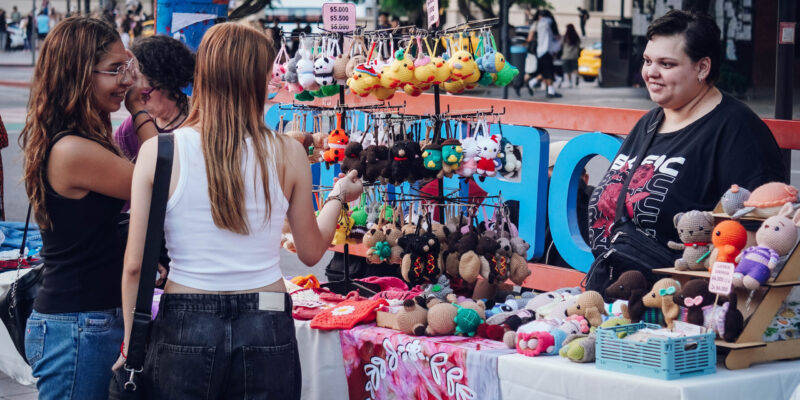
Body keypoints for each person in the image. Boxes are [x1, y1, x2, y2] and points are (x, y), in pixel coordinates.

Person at [113, 23, 363, 398]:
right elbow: (311, 251)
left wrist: (131, 345)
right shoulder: (288, 152)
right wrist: (339, 196)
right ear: (257, 81)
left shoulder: (160, 151)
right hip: (266, 315)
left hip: (185, 315)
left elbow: (134, 265)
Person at [20, 16, 151, 399]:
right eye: (114, 71)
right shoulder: (73, 150)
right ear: (77, 74)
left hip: (83, 320)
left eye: (126, 68)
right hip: (78, 325)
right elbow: (167, 179)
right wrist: (139, 108)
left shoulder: (77, 138)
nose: (126, 81)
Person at [587, 10, 786, 254]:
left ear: (702, 68)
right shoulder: (649, 122)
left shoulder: (738, 132)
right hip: (611, 283)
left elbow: (760, 235)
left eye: (666, 64)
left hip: (679, 290)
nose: (650, 73)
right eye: (648, 61)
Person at [114, 35, 194, 161]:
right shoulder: (130, 128)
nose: (140, 103)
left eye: (145, 94)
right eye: (133, 93)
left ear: (168, 82)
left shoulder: (198, 123)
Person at [527, 10, 562, 98]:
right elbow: (557, 37)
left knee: (546, 71)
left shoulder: (538, 24)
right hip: (547, 51)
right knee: (548, 71)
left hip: (540, 51)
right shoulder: (548, 23)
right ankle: (546, 89)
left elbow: (530, 38)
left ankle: (548, 89)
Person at [561, 24, 581, 88]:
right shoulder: (576, 36)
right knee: (575, 68)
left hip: (566, 55)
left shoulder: (565, 36)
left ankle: (570, 82)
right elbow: (579, 45)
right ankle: (576, 77)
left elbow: (561, 45)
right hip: (574, 56)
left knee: (568, 70)